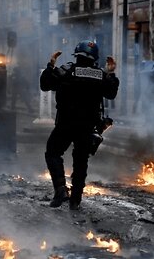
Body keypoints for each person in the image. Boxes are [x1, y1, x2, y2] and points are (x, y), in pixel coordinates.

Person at [40, 40, 119, 210]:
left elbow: (45, 85)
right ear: (95, 59)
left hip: (65, 124)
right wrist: (111, 73)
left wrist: (50, 66)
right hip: (88, 127)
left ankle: (61, 190)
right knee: (81, 161)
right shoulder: (101, 75)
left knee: (53, 152)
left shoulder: (67, 70)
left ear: (77, 55)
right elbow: (111, 93)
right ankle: (75, 199)